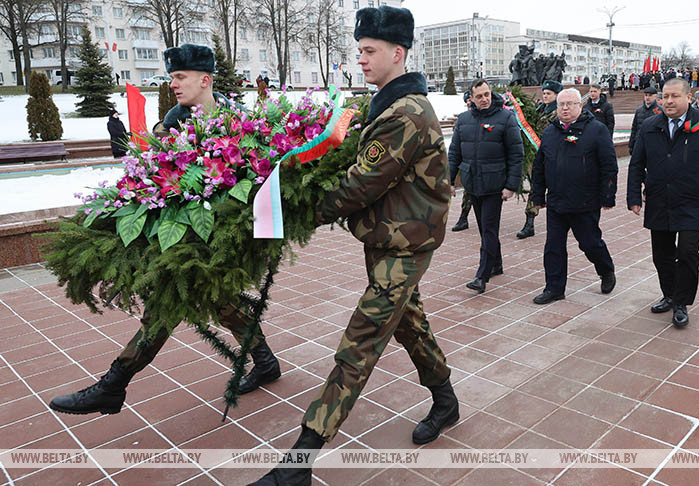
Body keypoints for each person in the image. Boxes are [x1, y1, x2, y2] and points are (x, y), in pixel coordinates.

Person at [251, 6, 457, 485]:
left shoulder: (405, 113)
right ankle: (446, 401)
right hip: (388, 238)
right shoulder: (386, 105)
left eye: (369, 51)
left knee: (359, 343)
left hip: (405, 245)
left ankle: (298, 464)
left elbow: (359, 185)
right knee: (411, 327)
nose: (360, 58)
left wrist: (292, 211)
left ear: (397, 52)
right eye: (359, 49)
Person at [49, 44, 283, 417]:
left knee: (172, 308)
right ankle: (265, 362)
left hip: (227, 237)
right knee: (218, 303)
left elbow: (262, 173)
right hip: (186, 240)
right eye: (171, 77)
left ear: (204, 80)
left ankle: (113, 385)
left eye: (180, 77)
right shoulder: (170, 125)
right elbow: (155, 179)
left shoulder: (239, 122)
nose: (172, 84)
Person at [627, 78, 699, 328]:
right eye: (665, 96)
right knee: (661, 255)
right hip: (659, 199)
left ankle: (682, 302)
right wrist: (633, 196)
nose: (669, 101)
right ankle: (669, 294)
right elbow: (637, 163)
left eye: (674, 96)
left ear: (688, 97)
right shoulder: (651, 125)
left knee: (687, 252)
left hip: (693, 200)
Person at [531, 88, 617, 304]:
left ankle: (606, 270)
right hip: (557, 202)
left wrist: (608, 196)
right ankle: (554, 288)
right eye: (561, 104)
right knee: (553, 247)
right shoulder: (550, 132)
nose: (565, 108)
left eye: (570, 104)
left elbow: (609, 166)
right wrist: (538, 196)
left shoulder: (596, 130)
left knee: (590, 243)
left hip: (585, 202)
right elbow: (540, 166)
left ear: (580, 106)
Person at [448, 78, 523, 293]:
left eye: (487, 94)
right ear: (471, 98)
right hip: (473, 183)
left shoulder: (506, 118)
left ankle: (482, 276)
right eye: (479, 96)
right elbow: (454, 154)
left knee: (489, 229)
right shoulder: (463, 120)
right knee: (484, 228)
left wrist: (511, 185)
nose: (484, 99)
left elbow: (516, 154)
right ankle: (496, 263)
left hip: (494, 185)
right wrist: (449, 181)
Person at [517, 79, 561, 239]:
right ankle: (529, 223)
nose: (545, 96)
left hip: (555, 156)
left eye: (548, 94)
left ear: (557, 95)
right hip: (539, 155)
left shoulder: (559, 112)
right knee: (536, 185)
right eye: (544, 93)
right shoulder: (540, 108)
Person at [450, 90, 474, 231]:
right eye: (467, 103)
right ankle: (463, 217)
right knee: (467, 191)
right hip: (466, 163)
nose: (469, 105)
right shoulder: (463, 118)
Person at [629, 87, 661, 156]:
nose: (647, 97)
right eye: (646, 95)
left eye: (650, 95)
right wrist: (631, 145)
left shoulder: (660, 111)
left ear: (655, 96)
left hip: (654, 145)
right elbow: (634, 129)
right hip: (639, 144)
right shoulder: (639, 111)